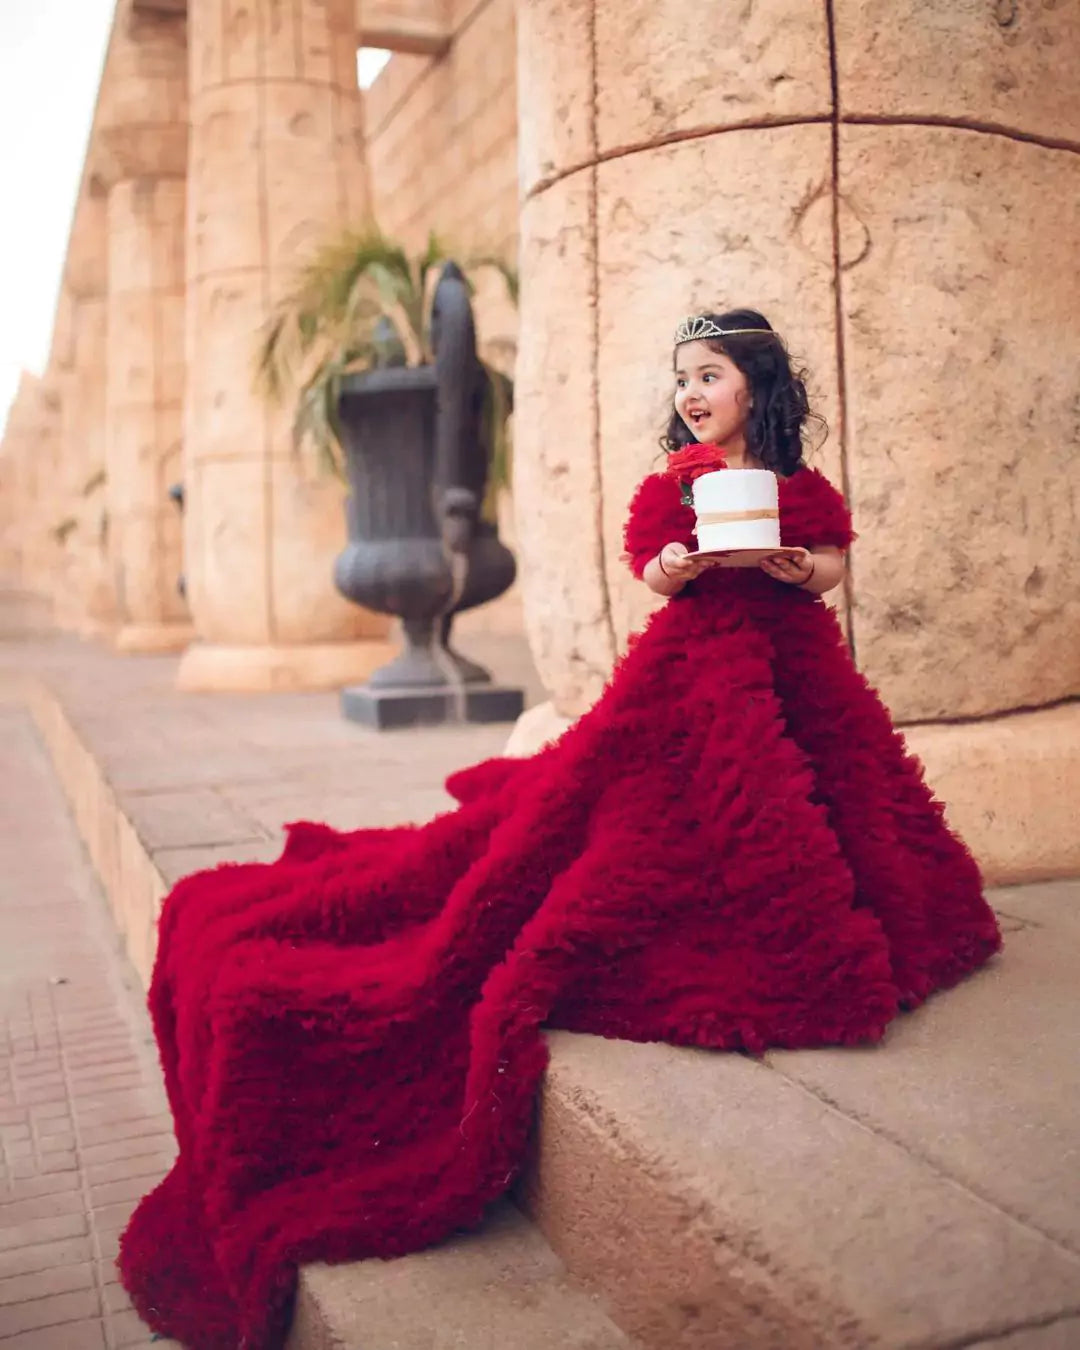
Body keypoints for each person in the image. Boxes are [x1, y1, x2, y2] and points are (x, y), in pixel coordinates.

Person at [119, 308, 1001, 1350]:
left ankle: (817, 897)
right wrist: (680, 568)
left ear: (756, 388)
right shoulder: (674, 486)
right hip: (695, 669)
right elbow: (651, 566)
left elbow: (829, 562)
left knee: (828, 786)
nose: (691, 393)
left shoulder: (797, 489)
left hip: (789, 665)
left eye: (709, 375)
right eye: (683, 378)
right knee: (665, 798)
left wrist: (790, 571)